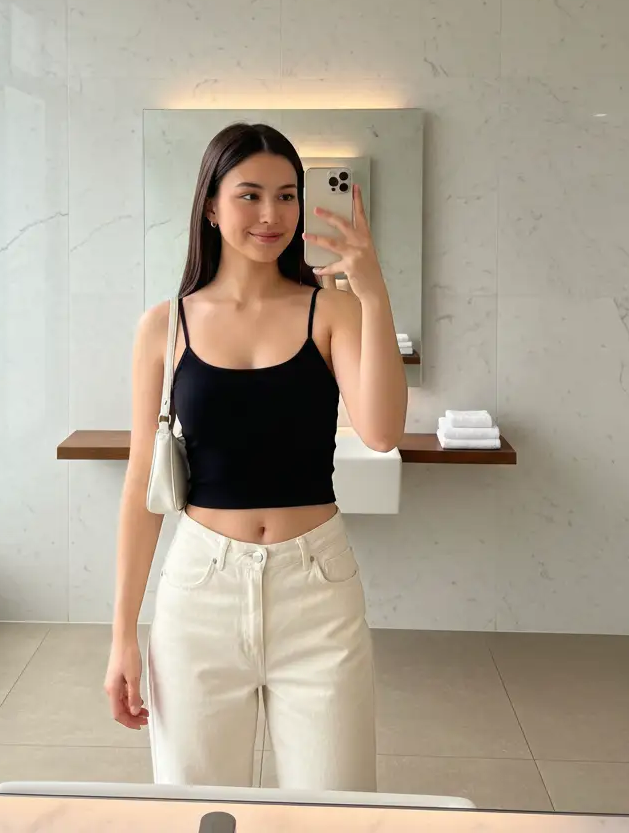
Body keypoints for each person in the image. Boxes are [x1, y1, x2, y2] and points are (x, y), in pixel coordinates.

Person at [103, 122, 407, 792]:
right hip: (198, 591)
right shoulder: (165, 325)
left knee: (335, 810)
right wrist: (123, 632)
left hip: (317, 591)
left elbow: (383, 431)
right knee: (196, 810)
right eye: (249, 195)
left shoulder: (333, 311)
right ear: (210, 206)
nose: (271, 215)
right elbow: (139, 485)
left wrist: (374, 290)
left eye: (287, 195)